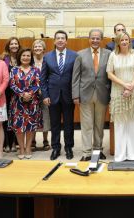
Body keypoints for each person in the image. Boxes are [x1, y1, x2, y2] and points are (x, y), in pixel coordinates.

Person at [73, 29, 111, 161]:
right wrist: (75, 95)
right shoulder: (80, 54)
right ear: (89, 39)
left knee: (99, 125)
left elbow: (110, 75)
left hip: (102, 93)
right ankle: (86, 152)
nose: (95, 41)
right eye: (93, 38)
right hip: (85, 94)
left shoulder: (108, 54)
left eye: (97, 38)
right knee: (87, 124)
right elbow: (75, 77)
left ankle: (98, 150)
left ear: (101, 40)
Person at [107, 32, 134, 161]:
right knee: (120, 123)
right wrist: (124, 85)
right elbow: (110, 74)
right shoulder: (113, 55)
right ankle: (120, 155)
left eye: (126, 39)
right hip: (118, 91)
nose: (124, 42)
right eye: (121, 40)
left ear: (129, 41)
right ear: (118, 42)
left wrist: (131, 86)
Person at [41, 30, 77, 160]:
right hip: (52, 95)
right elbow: (43, 78)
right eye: (58, 38)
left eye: (63, 38)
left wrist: (76, 94)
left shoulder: (74, 55)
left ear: (66, 41)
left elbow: (76, 77)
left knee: (69, 123)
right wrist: (45, 95)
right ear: (54, 41)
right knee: (55, 123)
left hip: (69, 95)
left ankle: (68, 147)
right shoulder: (47, 57)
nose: (60, 40)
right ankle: (56, 147)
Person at [9, 48, 42, 159]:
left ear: (31, 57)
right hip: (18, 102)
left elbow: (38, 83)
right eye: (23, 55)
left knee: (30, 126)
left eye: (28, 55)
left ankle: (28, 148)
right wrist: (22, 94)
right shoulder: (14, 70)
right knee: (19, 127)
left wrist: (30, 94)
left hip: (32, 102)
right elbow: (12, 84)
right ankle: (21, 148)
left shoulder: (36, 70)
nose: (26, 57)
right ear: (20, 57)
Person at [0, 36, 20, 152]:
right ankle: (6, 142)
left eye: (16, 44)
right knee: (6, 117)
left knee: (16, 117)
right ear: (8, 45)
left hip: (18, 92)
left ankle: (15, 142)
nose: (14, 46)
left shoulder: (22, 56)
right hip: (6, 92)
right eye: (12, 44)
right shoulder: (3, 59)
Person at [32, 39, 50, 151]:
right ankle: (32, 140)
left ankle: (45, 140)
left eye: (40, 46)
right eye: (35, 47)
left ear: (44, 49)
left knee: (45, 116)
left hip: (46, 93)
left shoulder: (48, 60)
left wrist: (44, 91)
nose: (38, 48)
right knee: (32, 116)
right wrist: (35, 89)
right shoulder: (29, 60)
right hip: (32, 94)